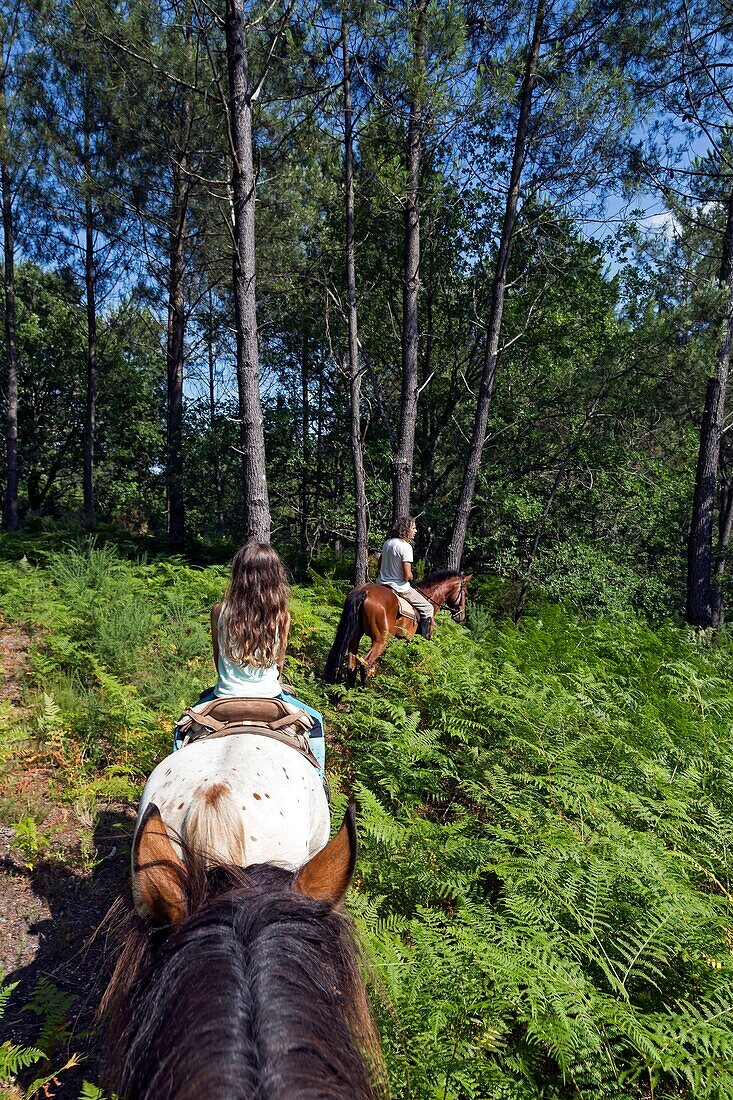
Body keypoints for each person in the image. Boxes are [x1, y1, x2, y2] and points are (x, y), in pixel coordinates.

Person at [174, 542, 325, 777]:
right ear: (275, 575)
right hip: (270, 697)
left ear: (239, 575)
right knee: (316, 722)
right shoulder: (281, 616)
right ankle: (320, 787)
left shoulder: (219, 611)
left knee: (182, 728)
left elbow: (218, 660)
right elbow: (279, 664)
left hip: (224, 696)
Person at [377, 516, 434, 638]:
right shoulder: (406, 547)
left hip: (382, 584)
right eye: (413, 528)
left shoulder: (387, 543)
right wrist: (412, 576)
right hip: (400, 587)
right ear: (406, 529)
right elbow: (407, 575)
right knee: (428, 608)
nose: (415, 531)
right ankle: (423, 642)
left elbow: (379, 565)